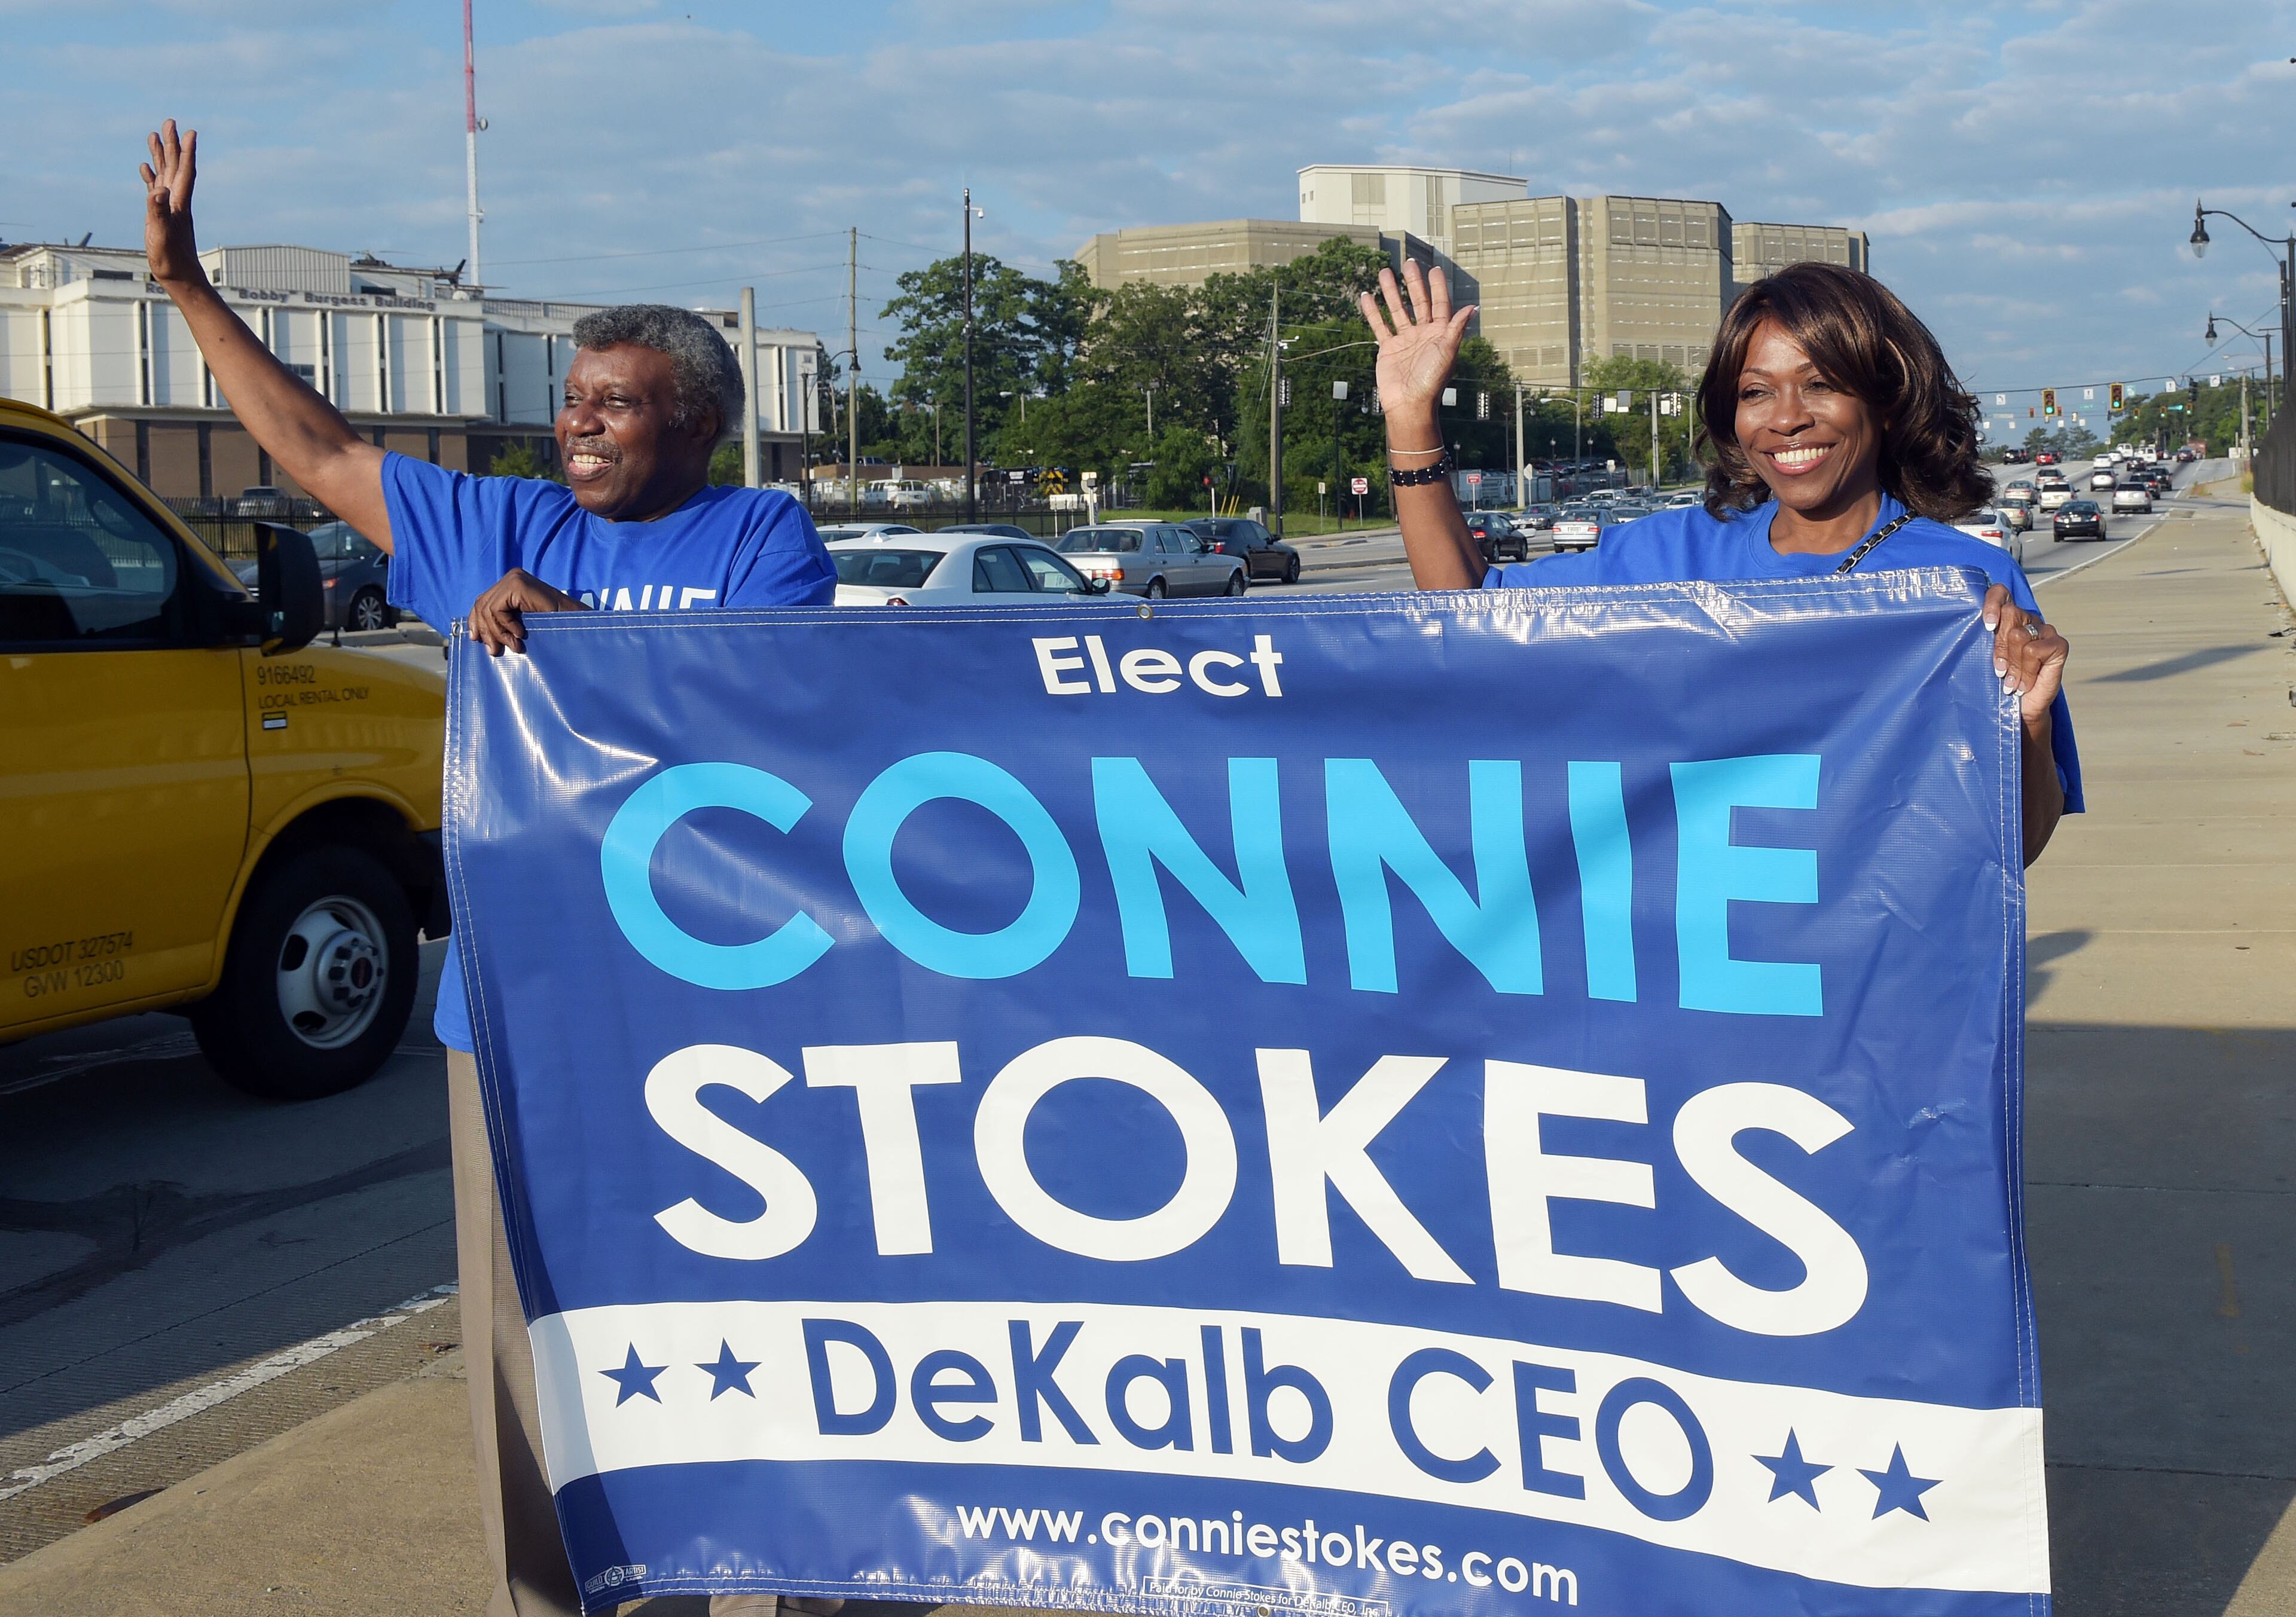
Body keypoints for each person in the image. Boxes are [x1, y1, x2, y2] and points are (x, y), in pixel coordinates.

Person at [141, 121, 835, 1617]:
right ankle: (565, 1593)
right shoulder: (492, 519)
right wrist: (190, 288)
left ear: (699, 422)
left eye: (618, 405)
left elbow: (757, 706)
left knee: (747, 1318)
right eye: (574, 401)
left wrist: (569, 631)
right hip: (516, 1011)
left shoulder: (760, 532)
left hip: (712, 1007)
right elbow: (315, 446)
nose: (579, 426)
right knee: (534, 1341)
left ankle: (781, 1570)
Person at [1360, 257, 2080, 863]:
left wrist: (2031, 724)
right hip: (1707, 986)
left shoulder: (1963, 588)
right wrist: (1411, 417)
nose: (1787, 416)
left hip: (1868, 999)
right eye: (1756, 392)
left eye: (1822, 383)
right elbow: (1468, 606)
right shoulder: (1670, 554)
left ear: (1884, 401)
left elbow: (2015, 848)